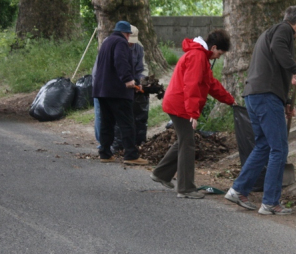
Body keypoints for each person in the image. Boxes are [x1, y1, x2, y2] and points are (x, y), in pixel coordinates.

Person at [225, 5, 296, 215]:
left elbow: (274, 69)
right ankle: (270, 202)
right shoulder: (284, 31)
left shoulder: (269, 32)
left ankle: (238, 189)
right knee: (279, 148)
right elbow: (280, 50)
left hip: (255, 95)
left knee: (263, 145)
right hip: (265, 97)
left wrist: (287, 101)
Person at [151, 30, 235, 199]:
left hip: (178, 103)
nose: (218, 57)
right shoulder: (197, 57)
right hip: (180, 105)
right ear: (213, 47)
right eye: (219, 53)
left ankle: (161, 174)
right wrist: (193, 114)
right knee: (188, 144)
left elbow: (210, 83)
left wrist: (230, 100)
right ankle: (185, 188)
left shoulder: (201, 57)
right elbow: (192, 86)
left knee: (184, 140)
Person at [92, 21, 148, 165]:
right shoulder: (121, 42)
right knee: (127, 123)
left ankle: (104, 153)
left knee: (107, 122)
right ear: (127, 34)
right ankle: (131, 155)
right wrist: (128, 79)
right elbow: (120, 60)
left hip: (102, 90)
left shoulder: (107, 41)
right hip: (117, 91)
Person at [113, 25, 149, 152]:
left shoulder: (138, 47)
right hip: (118, 84)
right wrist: (126, 82)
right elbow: (117, 68)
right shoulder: (115, 45)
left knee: (137, 117)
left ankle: (136, 143)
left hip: (131, 84)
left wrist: (142, 81)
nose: (130, 44)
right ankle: (110, 146)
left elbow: (141, 67)